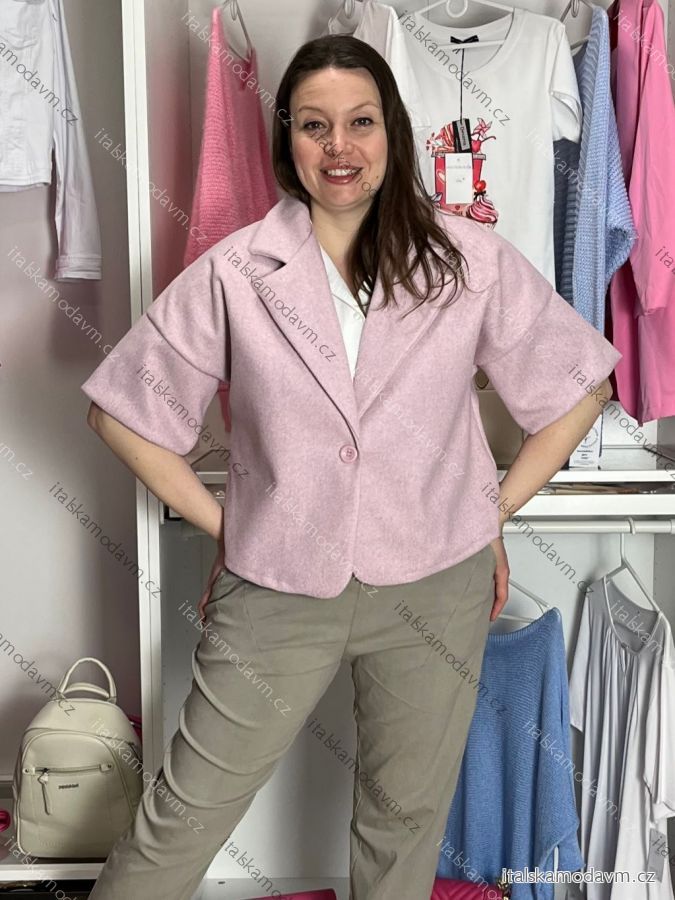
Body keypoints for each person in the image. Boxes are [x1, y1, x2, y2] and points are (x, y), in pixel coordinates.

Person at [81, 34, 620, 900]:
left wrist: (487, 512)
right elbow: (121, 410)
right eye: (313, 125)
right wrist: (231, 526)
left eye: (360, 122)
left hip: (433, 590)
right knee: (182, 818)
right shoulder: (235, 270)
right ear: (286, 140)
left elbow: (579, 388)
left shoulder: (467, 260)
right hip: (278, 590)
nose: (339, 146)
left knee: (401, 831)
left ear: (391, 132)